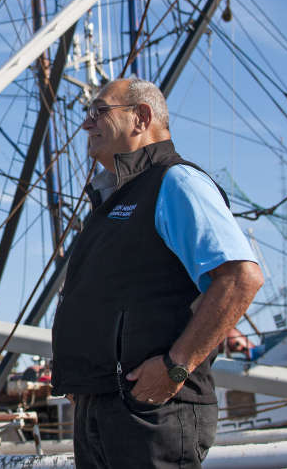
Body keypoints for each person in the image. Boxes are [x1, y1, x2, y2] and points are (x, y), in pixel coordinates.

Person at [51, 77, 263, 468]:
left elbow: (239, 278)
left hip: (150, 411)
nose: (86, 124)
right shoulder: (112, 201)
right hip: (103, 408)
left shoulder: (175, 182)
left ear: (141, 117)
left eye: (99, 111)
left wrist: (175, 365)